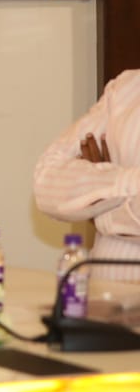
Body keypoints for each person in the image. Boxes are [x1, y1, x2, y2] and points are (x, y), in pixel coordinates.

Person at [33, 72, 140, 282]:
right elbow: (46, 182)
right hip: (100, 304)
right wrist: (123, 183)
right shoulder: (125, 88)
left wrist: (94, 205)